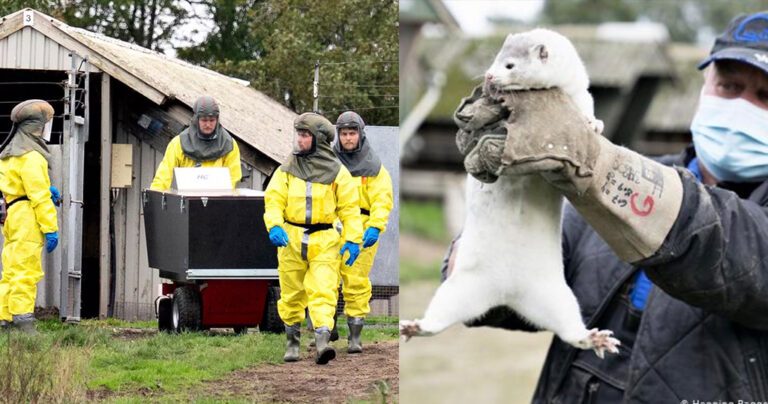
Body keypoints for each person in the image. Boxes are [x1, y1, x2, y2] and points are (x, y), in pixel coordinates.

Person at [443, 12, 768, 402]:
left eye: (765, 96)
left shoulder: (609, 176)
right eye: (729, 86)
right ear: (703, 88)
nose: (741, 106)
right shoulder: (643, 174)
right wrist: (480, 250)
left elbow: (729, 244)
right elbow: (522, 283)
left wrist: (593, 162)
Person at [264, 112, 363, 365]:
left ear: (318, 139)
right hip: (290, 238)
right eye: (298, 134)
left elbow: (350, 209)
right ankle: (292, 343)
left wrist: (353, 240)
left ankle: (322, 343)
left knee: (324, 291)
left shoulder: (338, 173)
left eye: (305, 135)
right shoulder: (286, 169)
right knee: (291, 293)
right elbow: (273, 200)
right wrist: (274, 225)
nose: (299, 139)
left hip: (325, 239)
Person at [333, 111, 393, 353]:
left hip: (362, 227)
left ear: (361, 134)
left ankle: (355, 335)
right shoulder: (329, 165)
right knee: (326, 279)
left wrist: (376, 226)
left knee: (356, 280)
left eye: (352, 133)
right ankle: (326, 326)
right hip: (333, 226)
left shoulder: (375, 169)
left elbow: (382, 200)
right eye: (344, 134)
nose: (348, 138)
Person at [0, 100, 60, 334]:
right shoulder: (32, 156)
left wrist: (47, 189)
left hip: (13, 213)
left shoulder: (9, 153)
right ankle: (24, 324)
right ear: (36, 126)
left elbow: (18, 185)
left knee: (11, 270)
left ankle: (4, 319)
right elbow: (39, 198)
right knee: (26, 270)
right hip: (27, 217)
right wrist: (50, 228)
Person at [150, 95, 241, 190]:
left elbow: (233, 178)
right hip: (188, 199)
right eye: (204, 120)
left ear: (217, 119)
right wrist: (154, 197)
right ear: (196, 119)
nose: (208, 124)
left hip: (217, 199)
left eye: (212, 120)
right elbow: (164, 175)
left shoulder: (228, 144)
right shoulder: (179, 143)